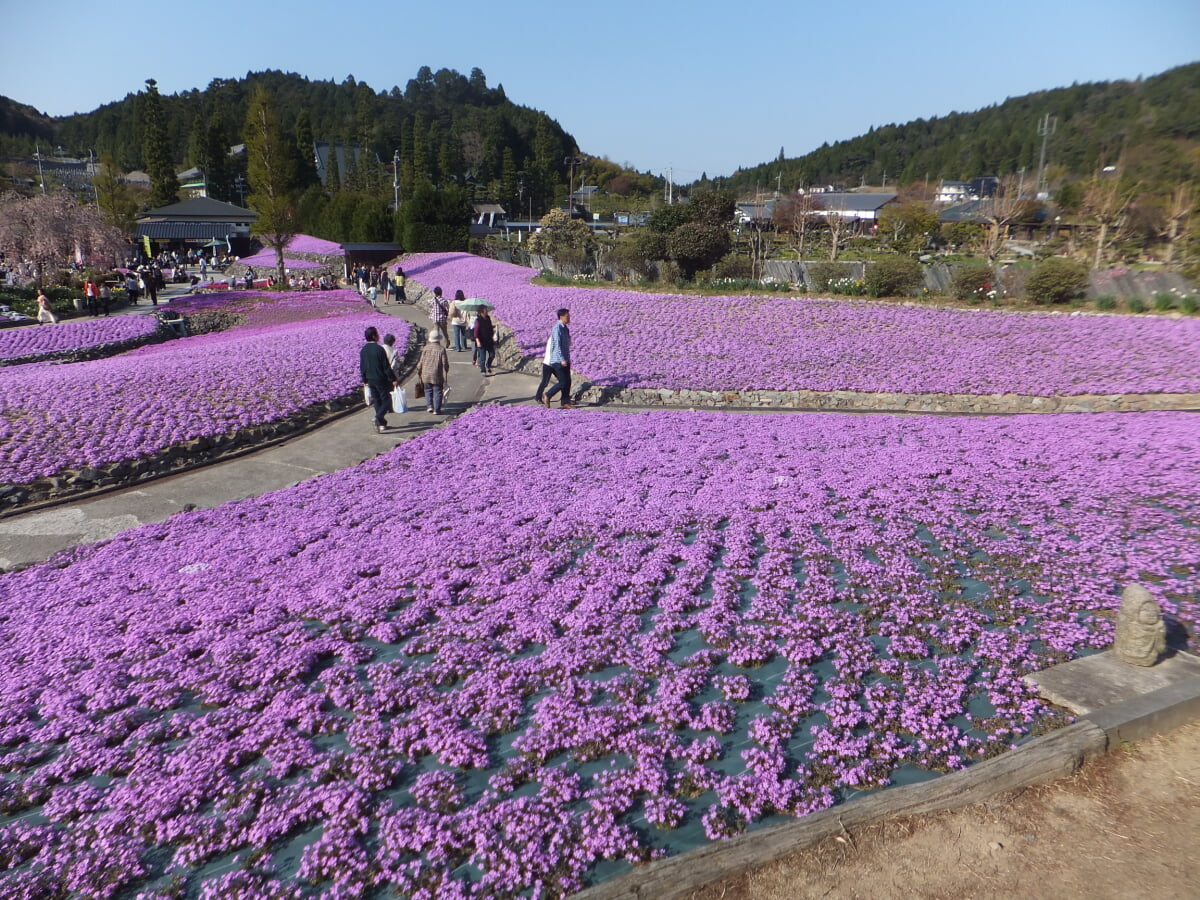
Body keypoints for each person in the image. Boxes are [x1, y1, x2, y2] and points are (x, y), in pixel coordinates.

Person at [360, 326, 397, 433]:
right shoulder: (379, 349)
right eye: (377, 334)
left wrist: (364, 379)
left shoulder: (363, 350)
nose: (379, 336)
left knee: (377, 400)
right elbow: (386, 366)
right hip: (381, 378)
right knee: (387, 400)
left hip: (370, 379)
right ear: (374, 336)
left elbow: (362, 366)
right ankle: (378, 417)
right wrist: (393, 378)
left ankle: (382, 424)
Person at [535, 308, 575, 408]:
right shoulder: (557, 328)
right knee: (563, 381)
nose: (569, 317)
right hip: (558, 360)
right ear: (561, 317)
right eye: (567, 316)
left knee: (568, 382)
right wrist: (561, 359)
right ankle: (547, 395)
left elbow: (566, 344)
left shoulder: (565, 328)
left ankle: (565, 402)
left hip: (565, 358)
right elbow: (557, 345)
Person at [417, 331, 450, 414]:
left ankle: (429, 406)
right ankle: (437, 409)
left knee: (428, 390)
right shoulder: (441, 349)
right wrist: (446, 368)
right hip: (437, 374)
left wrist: (419, 369)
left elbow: (421, 361)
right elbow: (444, 362)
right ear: (438, 339)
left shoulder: (425, 348)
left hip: (425, 373)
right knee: (438, 391)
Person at [473, 307, 496, 376]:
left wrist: (494, 327)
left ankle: (488, 365)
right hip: (481, 341)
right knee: (482, 357)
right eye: (485, 310)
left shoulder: (488, 318)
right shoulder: (478, 320)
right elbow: (475, 332)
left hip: (489, 340)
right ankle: (483, 370)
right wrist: (477, 341)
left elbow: (489, 327)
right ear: (481, 312)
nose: (487, 311)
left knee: (492, 355)